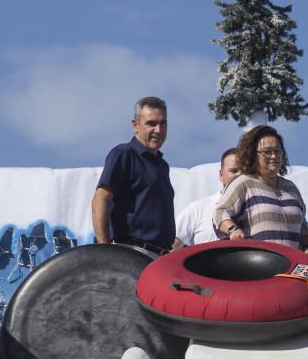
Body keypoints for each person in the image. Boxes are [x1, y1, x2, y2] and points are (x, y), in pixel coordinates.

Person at [92, 96, 175, 255]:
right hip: (132, 252)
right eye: (151, 123)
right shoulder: (123, 154)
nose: (158, 129)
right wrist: (105, 251)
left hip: (159, 259)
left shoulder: (163, 166)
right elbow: (100, 199)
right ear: (135, 125)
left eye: (163, 123)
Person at [213, 125, 308, 253]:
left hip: (290, 269)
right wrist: (233, 230)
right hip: (258, 267)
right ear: (252, 155)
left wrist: (307, 247)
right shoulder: (244, 183)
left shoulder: (291, 188)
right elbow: (220, 212)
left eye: (278, 151)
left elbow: (303, 225)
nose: (274, 156)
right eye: (267, 152)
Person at [172, 148, 240, 249]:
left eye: (246, 172)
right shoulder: (198, 209)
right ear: (221, 175)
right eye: (234, 171)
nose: (240, 175)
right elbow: (171, 247)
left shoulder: (260, 210)